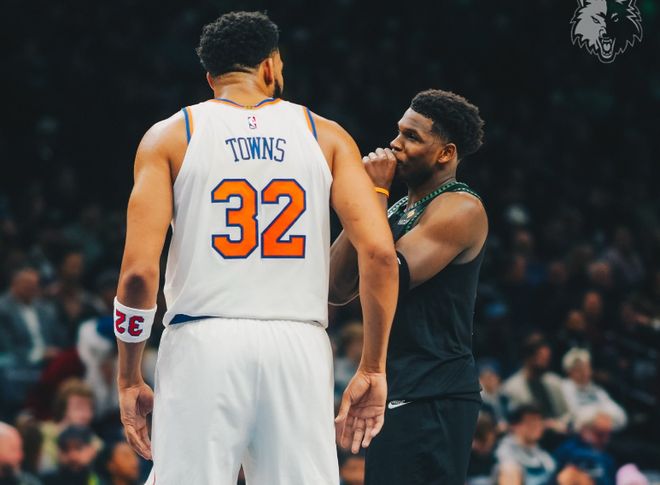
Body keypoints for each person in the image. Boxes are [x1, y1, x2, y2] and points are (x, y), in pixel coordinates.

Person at [114, 11, 398, 485]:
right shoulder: (325, 135)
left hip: (202, 342)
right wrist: (373, 366)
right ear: (270, 66)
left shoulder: (171, 136)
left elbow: (138, 275)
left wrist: (128, 376)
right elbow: (381, 255)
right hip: (298, 344)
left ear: (211, 79)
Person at [330, 89, 487, 484]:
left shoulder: (461, 207)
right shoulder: (398, 208)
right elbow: (334, 286)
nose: (395, 144)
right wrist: (368, 198)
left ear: (446, 153)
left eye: (412, 137)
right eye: (399, 132)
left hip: (434, 392)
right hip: (398, 384)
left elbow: (389, 276)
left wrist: (375, 196)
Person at [560, 348, 627, 431]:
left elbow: (621, 417)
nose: (585, 372)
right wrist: (599, 415)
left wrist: (601, 421)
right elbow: (575, 416)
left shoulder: (597, 390)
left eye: (587, 367)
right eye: (580, 369)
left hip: (602, 432)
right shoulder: (564, 387)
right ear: (569, 371)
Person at [553, 407, 616, 485]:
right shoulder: (567, 451)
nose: (606, 440)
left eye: (608, 434)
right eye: (600, 434)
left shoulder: (607, 459)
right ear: (585, 429)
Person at [495, 405, 555, 485]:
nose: (538, 426)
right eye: (531, 422)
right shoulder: (506, 455)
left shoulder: (537, 446)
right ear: (515, 426)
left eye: (539, 421)